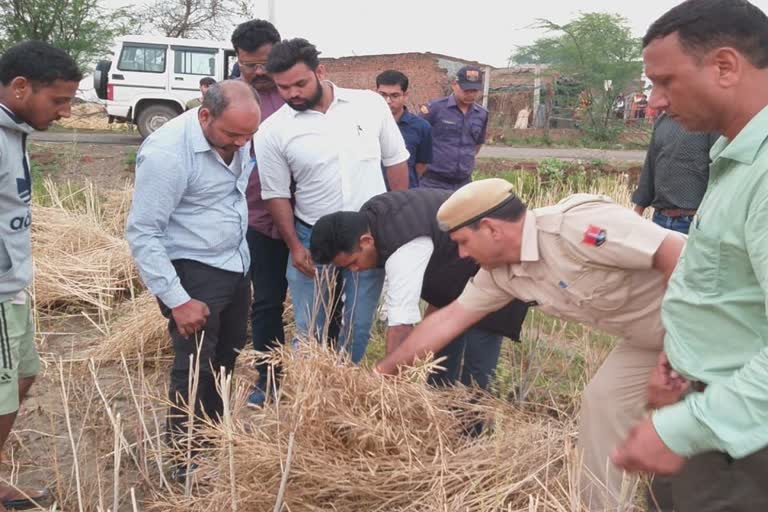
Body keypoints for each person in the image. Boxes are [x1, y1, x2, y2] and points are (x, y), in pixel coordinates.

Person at [374, 178, 686, 511]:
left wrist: (675, 354)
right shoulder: (501, 274)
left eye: (464, 242)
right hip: (648, 338)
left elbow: (679, 256)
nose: (462, 254)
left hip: (708, 319)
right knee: (603, 401)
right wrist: (383, 373)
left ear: (491, 229)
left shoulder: (574, 228)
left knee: (706, 433)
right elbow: (448, 320)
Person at [612, 2, 768, 511]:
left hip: (739, 438)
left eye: (665, 82)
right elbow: (729, 289)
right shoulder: (734, 156)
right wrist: (680, 360)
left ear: (724, 66)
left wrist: (686, 426)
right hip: (709, 413)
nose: (653, 102)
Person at [125, 81, 260, 481]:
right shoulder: (167, 154)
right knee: (195, 364)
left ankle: (211, 439)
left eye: (248, 135)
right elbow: (144, 232)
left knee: (226, 359)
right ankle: (185, 457)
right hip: (192, 269)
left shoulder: (239, 135)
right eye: (232, 135)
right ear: (205, 115)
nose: (241, 143)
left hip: (236, 262)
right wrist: (177, 299)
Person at [256, 38, 409, 364]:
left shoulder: (369, 105)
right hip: (312, 237)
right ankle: (306, 393)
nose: (292, 93)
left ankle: (345, 387)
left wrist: (396, 225)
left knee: (359, 324)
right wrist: (296, 246)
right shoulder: (272, 131)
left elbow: (396, 162)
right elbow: (275, 193)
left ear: (320, 71)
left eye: (300, 83)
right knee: (309, 326)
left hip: (369, 238)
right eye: (283, 88)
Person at [309, 189, 528, 389]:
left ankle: (472, 431)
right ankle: (440, 422)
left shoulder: (402, 246)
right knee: (440, 367)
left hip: (495, 272)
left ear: (366, 241)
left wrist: (388, 391)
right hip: (453, 290)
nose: (355, 270)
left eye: (353, 263)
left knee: (476, 375)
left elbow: (401, 325)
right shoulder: (372, 216)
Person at [0, 40, 80, 511]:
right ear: (20, 87)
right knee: (4, 397)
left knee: (25, 375)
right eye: (59, 100)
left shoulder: (14, 131)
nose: (67, 112)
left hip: (13, 288)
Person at [230, 19, 288, 408]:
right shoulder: (227, 97)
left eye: (265, 62)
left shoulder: (298, 91)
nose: (259, 72)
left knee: (321, 303)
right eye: (249, 64)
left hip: (306, 219)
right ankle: (269, 379)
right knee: (265, 302)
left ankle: (324, 378)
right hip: (256, 220)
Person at [632, 113, 719, 234]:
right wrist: (638, 210)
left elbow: (721, 171)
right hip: (659, 219)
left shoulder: (710, 120)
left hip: (695, 223)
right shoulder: (663, 120)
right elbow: (650, 167)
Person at [419, 65, 488, 190]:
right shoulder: (434, 109)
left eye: (474, 91)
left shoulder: (482, 114)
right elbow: (417, 140)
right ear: (454, 85)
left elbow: (476, 146)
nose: (470, 94)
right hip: (432, 182)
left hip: (463, 184)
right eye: (466, 90)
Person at [375, 70, 432, 188]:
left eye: (394, 95)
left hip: (404, 197)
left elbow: (421, 166)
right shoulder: (366, 124)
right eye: (383, 95)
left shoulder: (421, 127)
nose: (388, 101)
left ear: (405, 95)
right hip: (372, 194)